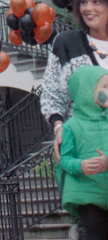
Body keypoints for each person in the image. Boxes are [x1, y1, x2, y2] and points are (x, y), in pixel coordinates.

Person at [41, 0, 108, 161]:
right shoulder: (67, 43)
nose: (88, 8)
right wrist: (59, 127)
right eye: (84, 2)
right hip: (82, 150)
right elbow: (51, 94)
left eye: (97, 1)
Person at [55, 65, 108, 240]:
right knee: (96, 234)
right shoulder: (71, 126)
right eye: (105, 87)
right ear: (87, 91)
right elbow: (65, 159)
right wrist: (81, 165)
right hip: (87, 194)